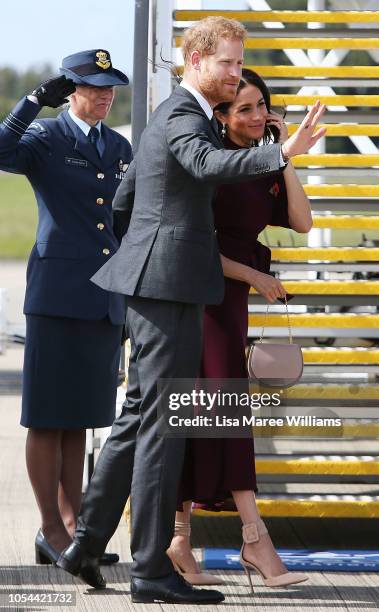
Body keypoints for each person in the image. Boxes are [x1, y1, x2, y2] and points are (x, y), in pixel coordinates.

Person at [57, 17, 326, 604]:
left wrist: (147, 250)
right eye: (228, 63)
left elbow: (128, 202)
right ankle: (150, 570)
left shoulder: (184, 117)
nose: (236, 73)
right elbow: (206, 167)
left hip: (164, 282)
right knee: (160, 427)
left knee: (138, 420)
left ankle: (84, 546)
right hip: (168, 287)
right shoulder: (183, 116)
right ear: (195, 59)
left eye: (239, 63)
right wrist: (281, 152)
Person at [167, 68, 312, 588]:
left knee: (203, 417)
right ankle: (255, 538)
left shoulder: (262, 162)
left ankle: (180, 540)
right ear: (222, 116)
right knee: (224, 414)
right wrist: (256, 275)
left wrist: (283, 152)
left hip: (233, 303)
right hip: (203, 300)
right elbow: (196, 244)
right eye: (243, 108)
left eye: (260, 108)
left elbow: (301, 221)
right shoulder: (211, 165)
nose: (253, 117)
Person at [0, 50, 132, 571]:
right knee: (47, 420)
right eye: (94, 87)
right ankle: (50, 529)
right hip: (56, 296)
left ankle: (75, 528)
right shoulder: (45, 138)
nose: (104, 96)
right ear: (70, 90)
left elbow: (121, 224)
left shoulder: (119, 145)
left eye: (110, 88)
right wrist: (32, 101)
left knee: (80, 419)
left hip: (104, 299)